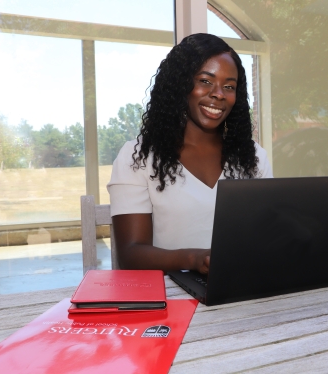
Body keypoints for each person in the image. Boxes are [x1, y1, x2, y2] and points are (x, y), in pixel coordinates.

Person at [107, 33, 272, 274]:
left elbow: (268, 235)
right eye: (206, 81)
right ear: (180, 84)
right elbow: (131, 254)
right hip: (171, 297)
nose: (218, 94)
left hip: (242, 288)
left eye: (229, 86)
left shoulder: (253, 157)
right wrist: (195, 259)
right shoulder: (138, 156)